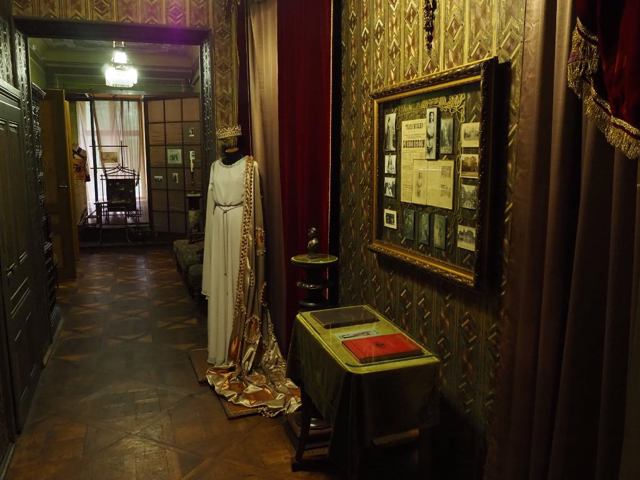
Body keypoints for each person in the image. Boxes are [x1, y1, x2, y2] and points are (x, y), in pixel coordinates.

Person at [202, 125, 299, 415]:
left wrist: (254, 249)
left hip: (239, 231)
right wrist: (210, 239)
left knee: (237, 286)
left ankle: (237, 347)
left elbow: (255, 207)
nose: (227, 144)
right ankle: (220, 350)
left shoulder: (250, 166)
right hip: (219, 226)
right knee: (221, 284)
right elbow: (210, 205)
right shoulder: (214, 167)